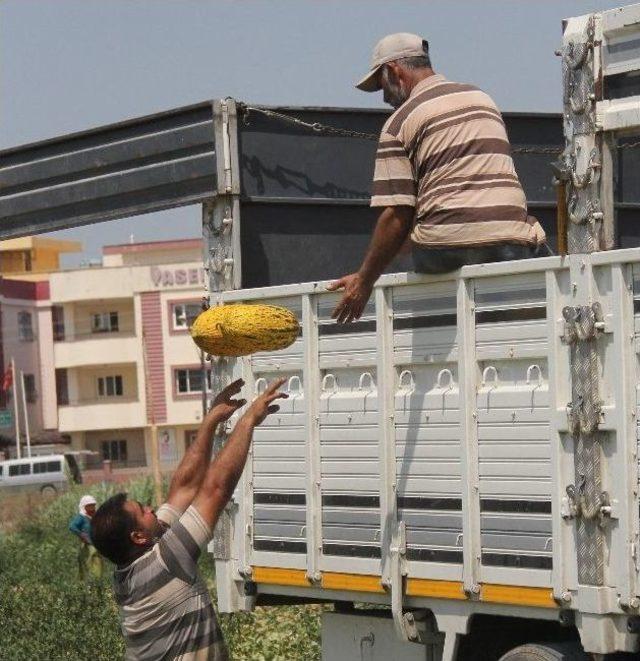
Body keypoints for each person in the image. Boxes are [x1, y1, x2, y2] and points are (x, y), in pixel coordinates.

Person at [329, 33, 548, 323]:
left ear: (395, 71)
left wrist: (365, 280)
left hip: (445, 250)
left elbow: (397, 215)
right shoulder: (482, 99)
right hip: (509, 241)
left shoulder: (399, 123)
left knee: (429, 237)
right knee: (539, 260)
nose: (384, 98)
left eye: (382, 85)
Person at [91, 377, 287, 661]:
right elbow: (215, 489)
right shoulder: (166, 561)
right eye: (142, 510)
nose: (151, 509)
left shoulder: (129, 572)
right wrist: (248, 421)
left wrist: (210, 423)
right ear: (138, 537)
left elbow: (183, 488)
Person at [68, 494, 103, 580]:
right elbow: (72, 526)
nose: (92, 508)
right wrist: (81, 534)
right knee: (90, 562)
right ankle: (92, 581)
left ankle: (96, 581)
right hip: (87, 545)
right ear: (84, 507)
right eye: (89, 506)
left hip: (95, 543)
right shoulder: (81, 517)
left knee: (97, 562)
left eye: (93, 505)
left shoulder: (94, 516)